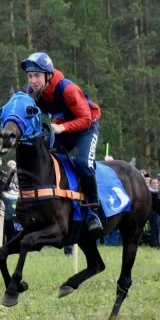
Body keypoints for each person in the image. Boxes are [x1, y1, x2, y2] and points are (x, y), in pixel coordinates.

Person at [20, 52, 104, 234]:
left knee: (82, 163)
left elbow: (85, 120)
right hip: (63, 128)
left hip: (87, 128)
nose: (33, 81)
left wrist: (61, 127)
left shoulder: (68, 89)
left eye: (37, 76)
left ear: (48, 75)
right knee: (41, 157)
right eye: (30, 76)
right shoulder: (31, 92)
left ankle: (93, 211)